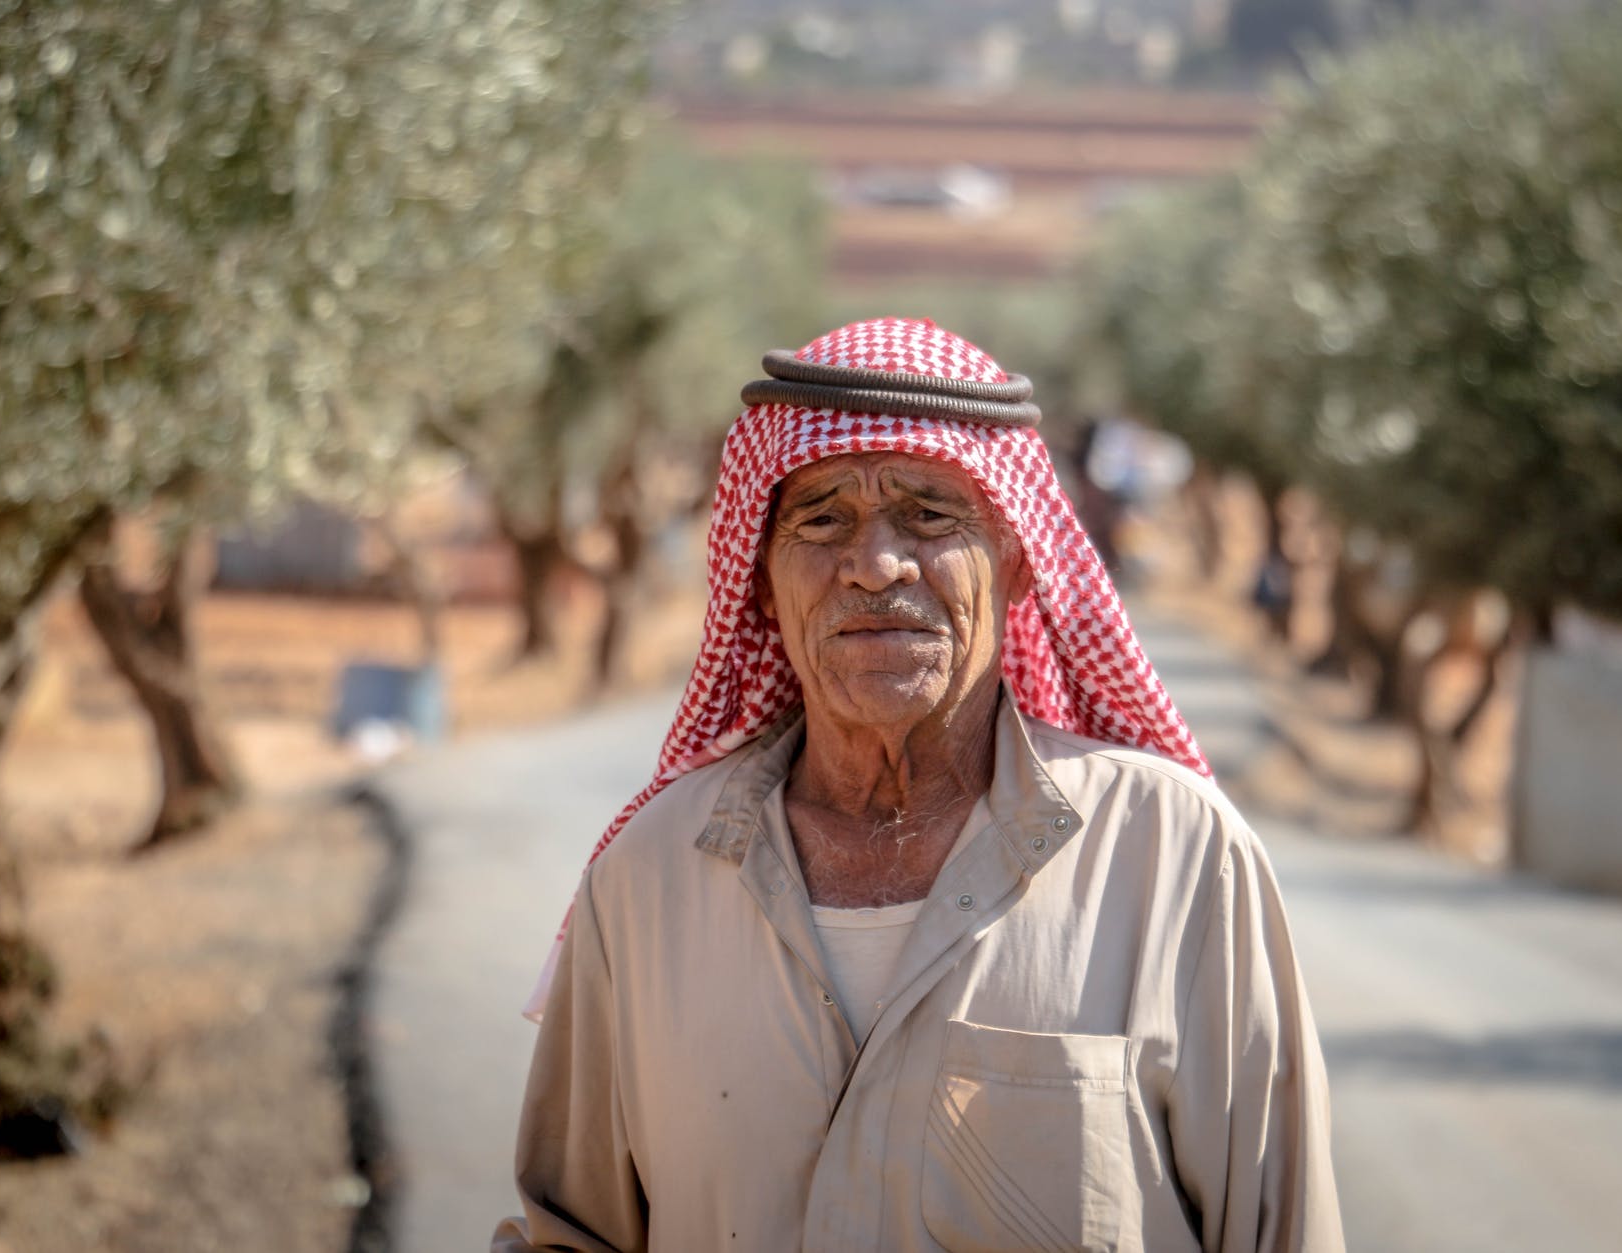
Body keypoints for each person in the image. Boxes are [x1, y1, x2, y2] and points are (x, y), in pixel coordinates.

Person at [493, 319, 1344, 1252]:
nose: (875, 564)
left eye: (933, 516)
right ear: (762, 579)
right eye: (821, 518)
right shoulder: (649, 877)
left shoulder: (1175, 856)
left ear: (1018, 560)